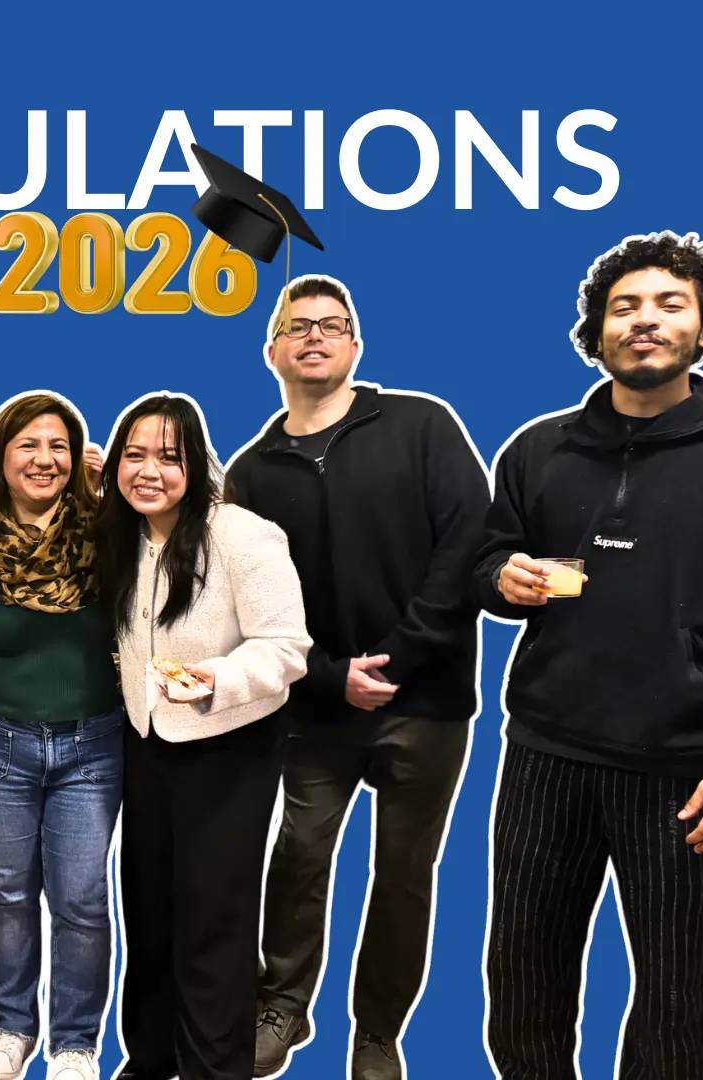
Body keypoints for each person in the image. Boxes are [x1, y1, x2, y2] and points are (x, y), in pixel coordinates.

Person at [474, 232, 703, 1080]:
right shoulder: (538, 448)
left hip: (688, 767)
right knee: (520, 980)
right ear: (598, 331)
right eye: (623, 307)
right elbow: (484, 564)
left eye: (670, 305)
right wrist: (501, 575)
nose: (645, 321)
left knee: (676, 997)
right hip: (547, 750)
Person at [225, 277, 490, 1080]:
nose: (315, 336)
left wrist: (402, 658)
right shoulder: (253, 470)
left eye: (332, 325)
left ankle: (378, 1029)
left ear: (355, 346)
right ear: (271, 351)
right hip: (315, 706)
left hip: (429, 702)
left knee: (405, 873)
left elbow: (466, 546)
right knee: (300, 856)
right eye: (297, 326)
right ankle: (281, 1004)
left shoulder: (420, 424)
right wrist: (331, 677)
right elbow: (246, 605)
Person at [96, 394, 312, 1080]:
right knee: (151, 911)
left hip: (228, 750)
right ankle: (150, 1057)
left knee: (212, 922)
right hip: (145, 742)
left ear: (196, 461)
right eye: (134, 456)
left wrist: (215, 678)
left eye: (168, 456)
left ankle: (216, 1067)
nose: (148, 471)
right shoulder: (122, 533)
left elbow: (287, 647)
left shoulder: (243, 535)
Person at [0, 392, 124, 1080]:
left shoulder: (110, 527)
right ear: (1, 455)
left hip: (92, 745)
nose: (44, 458)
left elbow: (205, 498)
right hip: (0, 744)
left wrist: (114, 475)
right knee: (5, 892)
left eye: (58, 445)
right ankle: (9, 1028)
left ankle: (75, 1042)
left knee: (82, 897)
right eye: (28, 443)